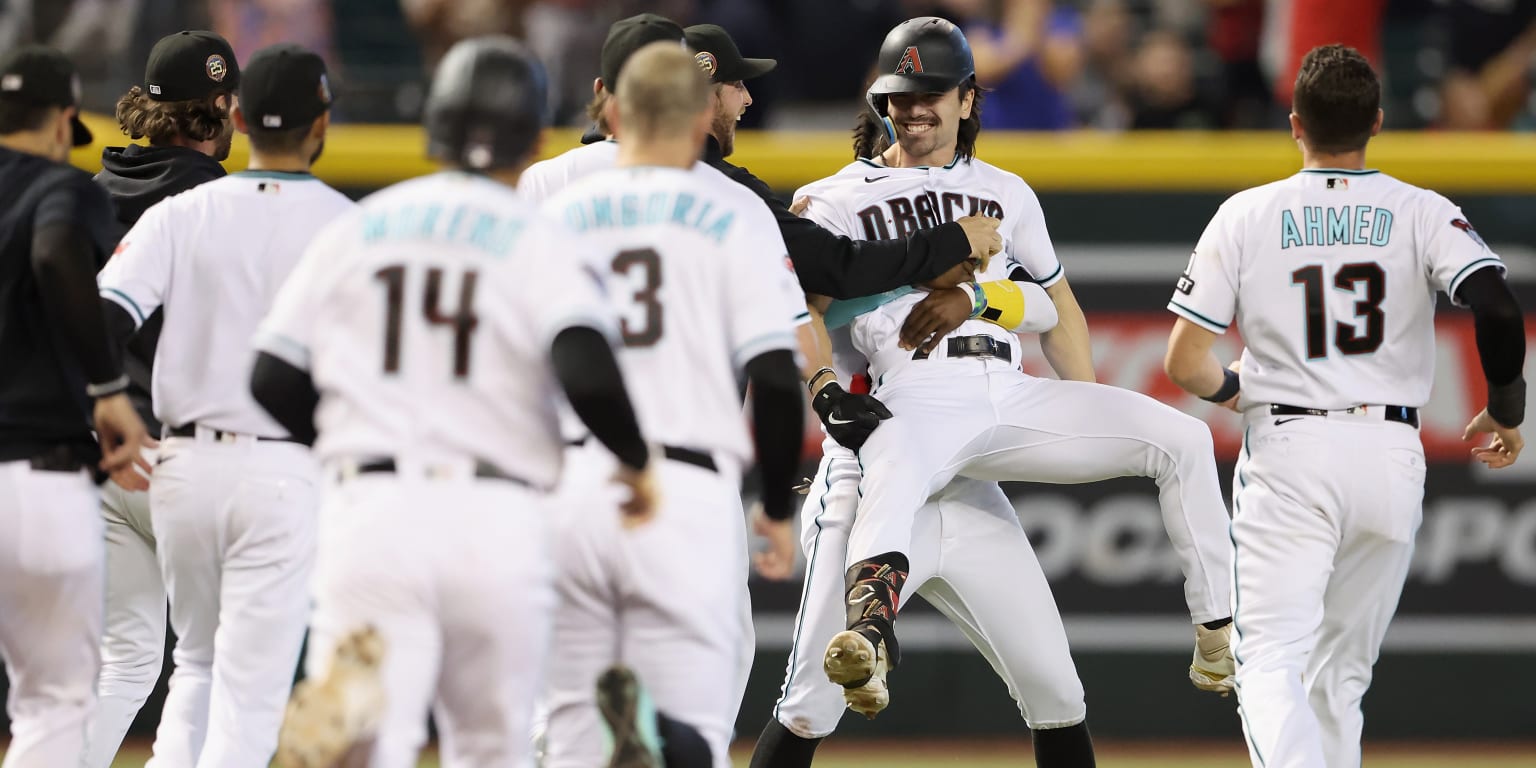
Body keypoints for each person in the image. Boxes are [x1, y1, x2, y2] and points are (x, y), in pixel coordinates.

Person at [751, 17, 1237, 764]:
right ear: (880, 101)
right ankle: (871, 628)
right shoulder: (831, 198)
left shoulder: (1005, 192)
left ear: (969, 100)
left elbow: (1058, 309)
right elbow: (801, 315)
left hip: (997, 415)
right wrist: (823, 387)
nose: (914, 110)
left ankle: (1217, 631)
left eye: (931, 95)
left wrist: (1086, 404)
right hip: (898, 409)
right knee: (809, 705)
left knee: (1060, 693)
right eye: (899, 96)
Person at [253, 35, 658, 768]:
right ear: (536, 136)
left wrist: (345, 437)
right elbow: (589, 372)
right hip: (493, 516)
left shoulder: (357, 226)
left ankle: (352, 723)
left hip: (370, 509)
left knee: (376, 746)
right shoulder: (538, 236)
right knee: (489, 745)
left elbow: (270, 377)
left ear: (430, 125)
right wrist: (635, 460)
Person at [1163, 44, 1526, 768]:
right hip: (1390, 454)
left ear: (1295, 123)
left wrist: (1238, 390)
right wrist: (1507, 408)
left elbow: (1182, 361)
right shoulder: (1423, 210)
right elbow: (1496, 306)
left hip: (1292, 448)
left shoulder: (1247, 213)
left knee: (1267, 659)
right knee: (1340, 679)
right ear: (1379, 122)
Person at [538, 41, 807, 768]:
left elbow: (551, 365)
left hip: (576, 484)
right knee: (695, 730)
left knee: (567, 738)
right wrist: (778, 511)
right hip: (686, 489)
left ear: (615, 113)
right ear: (700, 121)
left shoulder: (559, 213)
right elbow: (779, 379)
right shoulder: (735, 211)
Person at [95, 43, 353, 768]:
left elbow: (99, 318)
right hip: (275, 468)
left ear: (242, 114)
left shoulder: (184, 212)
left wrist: (105, 402)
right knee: (248, 691)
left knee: (193, 669)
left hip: (174, 464)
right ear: (321, 123)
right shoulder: (346, 223)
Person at [82, 30, 241, 768]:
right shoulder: (222, 205)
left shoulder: (87, 195)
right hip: (182, 460)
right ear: (218, 111)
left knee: (129, 658)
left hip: (97, 459)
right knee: (210, 664)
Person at [0, 44, 150, 768]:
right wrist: (108, 390)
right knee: (53, 702)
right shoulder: (62, 187)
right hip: (35, 478)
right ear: (64, 121)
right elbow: (58, 251)